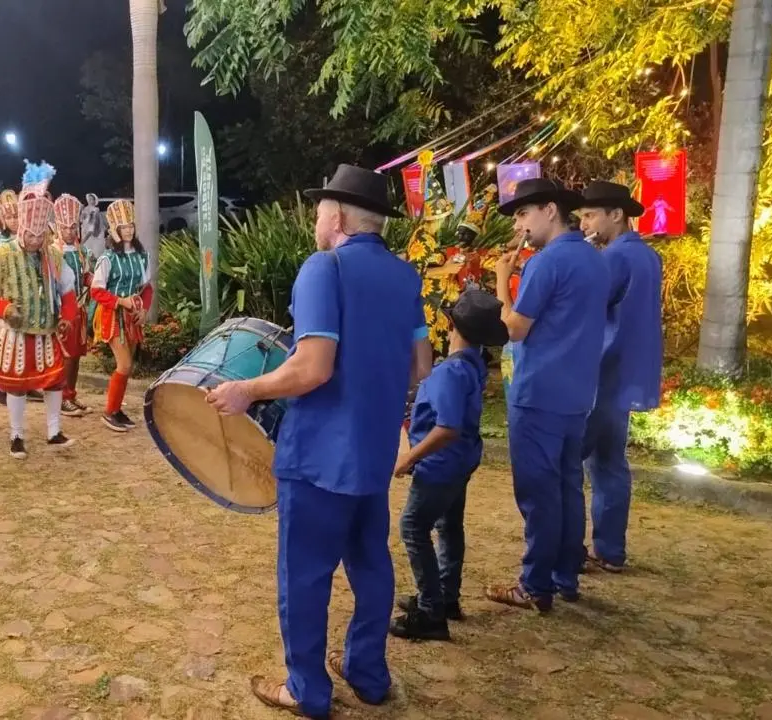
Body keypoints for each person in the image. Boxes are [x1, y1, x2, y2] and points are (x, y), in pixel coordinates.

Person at [206, 165, 432, 718]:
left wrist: (247, 390)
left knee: (304, 578)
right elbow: (419, 365)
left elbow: (313, 368)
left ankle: (306, 690)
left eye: (318, 212)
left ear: (336, 216)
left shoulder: (322, 267)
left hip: (319, 460)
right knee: (371, 566)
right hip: (374, 454)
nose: (315, 221)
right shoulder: (405, 277)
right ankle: (367, 673)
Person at [491, 178, 609, 611]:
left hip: (538, 390)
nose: (520, 224)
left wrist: (503, 282)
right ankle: (564, 577)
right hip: (577, 392)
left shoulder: (547, 263)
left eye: (523, 213)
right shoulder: (595, 260)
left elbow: (515, 326)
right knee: (566, 486)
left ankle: (535, 584)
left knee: (538, 492)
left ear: (551, 210)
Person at [390, 289, 508, 641]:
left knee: (413, 527)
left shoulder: (451, 373)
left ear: (451, 324)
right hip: (460, 463)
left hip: (440, 466)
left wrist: (409, 457)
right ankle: (445, 596)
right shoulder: (474, 363)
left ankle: (430, 612)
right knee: (449, 527)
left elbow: (447, 428)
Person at [577, 180, 663, 573]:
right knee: (611, 463)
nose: (584, 224)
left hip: (600, 371)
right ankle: (610, 549)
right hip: (627, 374)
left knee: (569, 462)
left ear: (617, 214)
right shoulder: (649, 256)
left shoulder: (612, 258)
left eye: (591, 215)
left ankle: (568, 547)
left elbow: (587, 306)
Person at [0, 167, 79, 460]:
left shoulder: (54, 254)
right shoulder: (1, 253)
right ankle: (16, 436)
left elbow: (67, 289)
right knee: (16, 387)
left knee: (55, 381)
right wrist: (3, 308)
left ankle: (54, 431)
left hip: (46, 329)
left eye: (40, 235)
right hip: (14, 332)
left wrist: (67, 316)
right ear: (21, 230)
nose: (35, 240)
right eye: (30, 235)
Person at [89, 200, 152, 431]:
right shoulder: (107, 258)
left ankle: (116, 409)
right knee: (124, 364)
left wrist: (143, 308)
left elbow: (147, 287)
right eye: (123, 227)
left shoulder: (141, 255)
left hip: (133, 315)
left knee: (128, 365)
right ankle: (109, 412)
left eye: (131, 226)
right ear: (114, 230)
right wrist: (120, 301)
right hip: (112, 315)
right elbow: (96, 290)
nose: (128, 230)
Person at [53, 194, 94, 417]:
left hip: (80, 310)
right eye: (65, 227)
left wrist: (95, 281)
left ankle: (71, 394)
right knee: (66, 355)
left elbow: (86, 275)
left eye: (72, 227)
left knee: (77, 355)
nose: (69, 231)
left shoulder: (82, 251)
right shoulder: (52, 252)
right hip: (62, 311)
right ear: (57, 227)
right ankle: (61, 397)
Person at [80, 193, 107, 259]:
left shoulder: (95, 210)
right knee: (86, 258)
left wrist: (82, 242)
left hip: (93, 238)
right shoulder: (85, 209)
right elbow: (81, 221)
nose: (90, 200)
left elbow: (91, 228)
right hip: (85, 235)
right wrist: (81, 210)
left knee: (93, 258)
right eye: (89, 199)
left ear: (95, 201)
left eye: (92, 199)